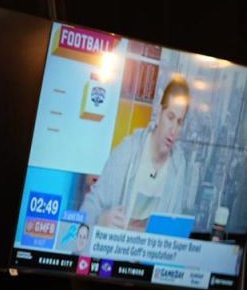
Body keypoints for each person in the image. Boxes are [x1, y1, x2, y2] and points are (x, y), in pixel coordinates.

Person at [80, 76, 191, 232]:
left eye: (179, 122)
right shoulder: (129, 150)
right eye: (170, 117)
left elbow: (175, 230)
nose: (173, 129)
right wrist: (100, 220)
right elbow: (90, 206)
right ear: (159, 113)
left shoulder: (178, 166)